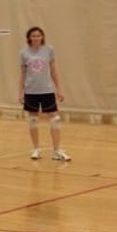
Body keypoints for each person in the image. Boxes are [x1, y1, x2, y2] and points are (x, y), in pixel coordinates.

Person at [19, 26, 70, 161]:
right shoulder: (24, 52)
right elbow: (23, 74)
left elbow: (53, 70)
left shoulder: (49, 50)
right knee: (33, 119)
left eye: (38, 36)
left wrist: (59, 89)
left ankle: (56, 150)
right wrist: (20, 92)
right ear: (29, 37)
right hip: (31, 91)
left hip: (47, 90)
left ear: (42, 37)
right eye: (33, 36)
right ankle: (36, 149)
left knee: (55, 119)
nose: (36, 38)